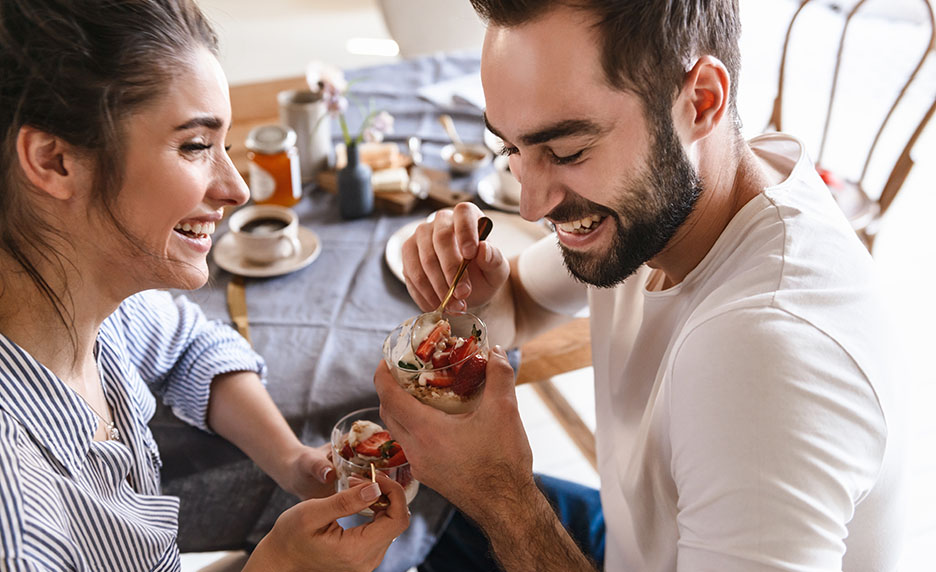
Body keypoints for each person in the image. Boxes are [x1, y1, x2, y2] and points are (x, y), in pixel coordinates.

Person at [374, 1, 904, 571]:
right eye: (511, 149)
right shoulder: (677, 202)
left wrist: (503, 498)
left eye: (568, 152)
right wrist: (478, 296)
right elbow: (520, 309)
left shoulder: (766, 360)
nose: (530, 206)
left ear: (701, 101)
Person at [0, 1, 408, 570]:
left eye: (227, 147)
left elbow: (192, 346)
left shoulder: (93, 306)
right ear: (55, 161)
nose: (237, 189)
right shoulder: (17, 512)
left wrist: (292, 460)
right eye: (195, 146)